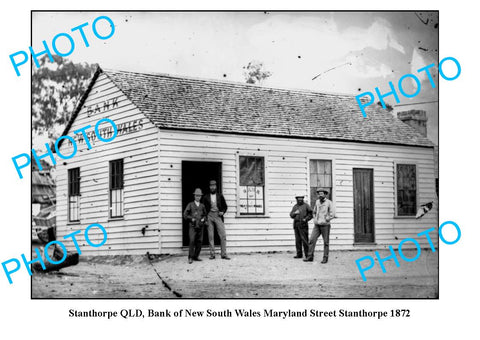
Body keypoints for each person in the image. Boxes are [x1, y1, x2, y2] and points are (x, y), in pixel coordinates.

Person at [304, 189, 335, 264]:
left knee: (326, 242)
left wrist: (327, 219)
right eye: (319, 194)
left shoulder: (329, 202)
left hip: (325, 225)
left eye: (321, 194)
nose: (320, 195)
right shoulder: (317, 202)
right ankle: (310, 257)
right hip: (317, 225)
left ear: (325, 194)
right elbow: (314, 212)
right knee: (311, 240)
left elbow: (332, 214)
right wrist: (315, 219)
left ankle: (325, 258)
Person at [202, 180, 230, 260]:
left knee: (223, 235)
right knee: (211, 236)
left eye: (214, 185)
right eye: (211, 186)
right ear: (209, 187)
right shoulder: (206, 197)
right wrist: (205, 217)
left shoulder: (220, 196)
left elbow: (225, 206)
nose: (212, 187)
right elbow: (203, 209)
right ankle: (212, 254)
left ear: (216, 186)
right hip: (209, 215)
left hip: (218, 215)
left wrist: (223, 212)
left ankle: (224, 254)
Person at [183, 188, 207, 264]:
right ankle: (190, 257)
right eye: (196, 196)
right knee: (192, 240)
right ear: (194, 196)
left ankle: (196, 256)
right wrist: (191, 219)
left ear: (201, 197)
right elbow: (185, 215)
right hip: (193, 226)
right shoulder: (190, 205)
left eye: (199, 196)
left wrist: (204, 219)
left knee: (199, 241)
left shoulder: (202, 206)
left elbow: (205, 215)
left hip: (200, 226)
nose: (198, 197)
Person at [289, 194, 313, 259]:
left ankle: (308, 255)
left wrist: (306, 219)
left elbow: (311, 214)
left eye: (301, 199)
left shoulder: (306, 206)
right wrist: (295, 213)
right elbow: (291, 215)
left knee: (305, 240)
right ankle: (299, 254)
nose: (300, 201)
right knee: (298, 241)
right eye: (298, 200)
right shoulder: (295, 206)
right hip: (296, 225)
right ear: (296, 200)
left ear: (303, 199)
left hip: (303, 225)